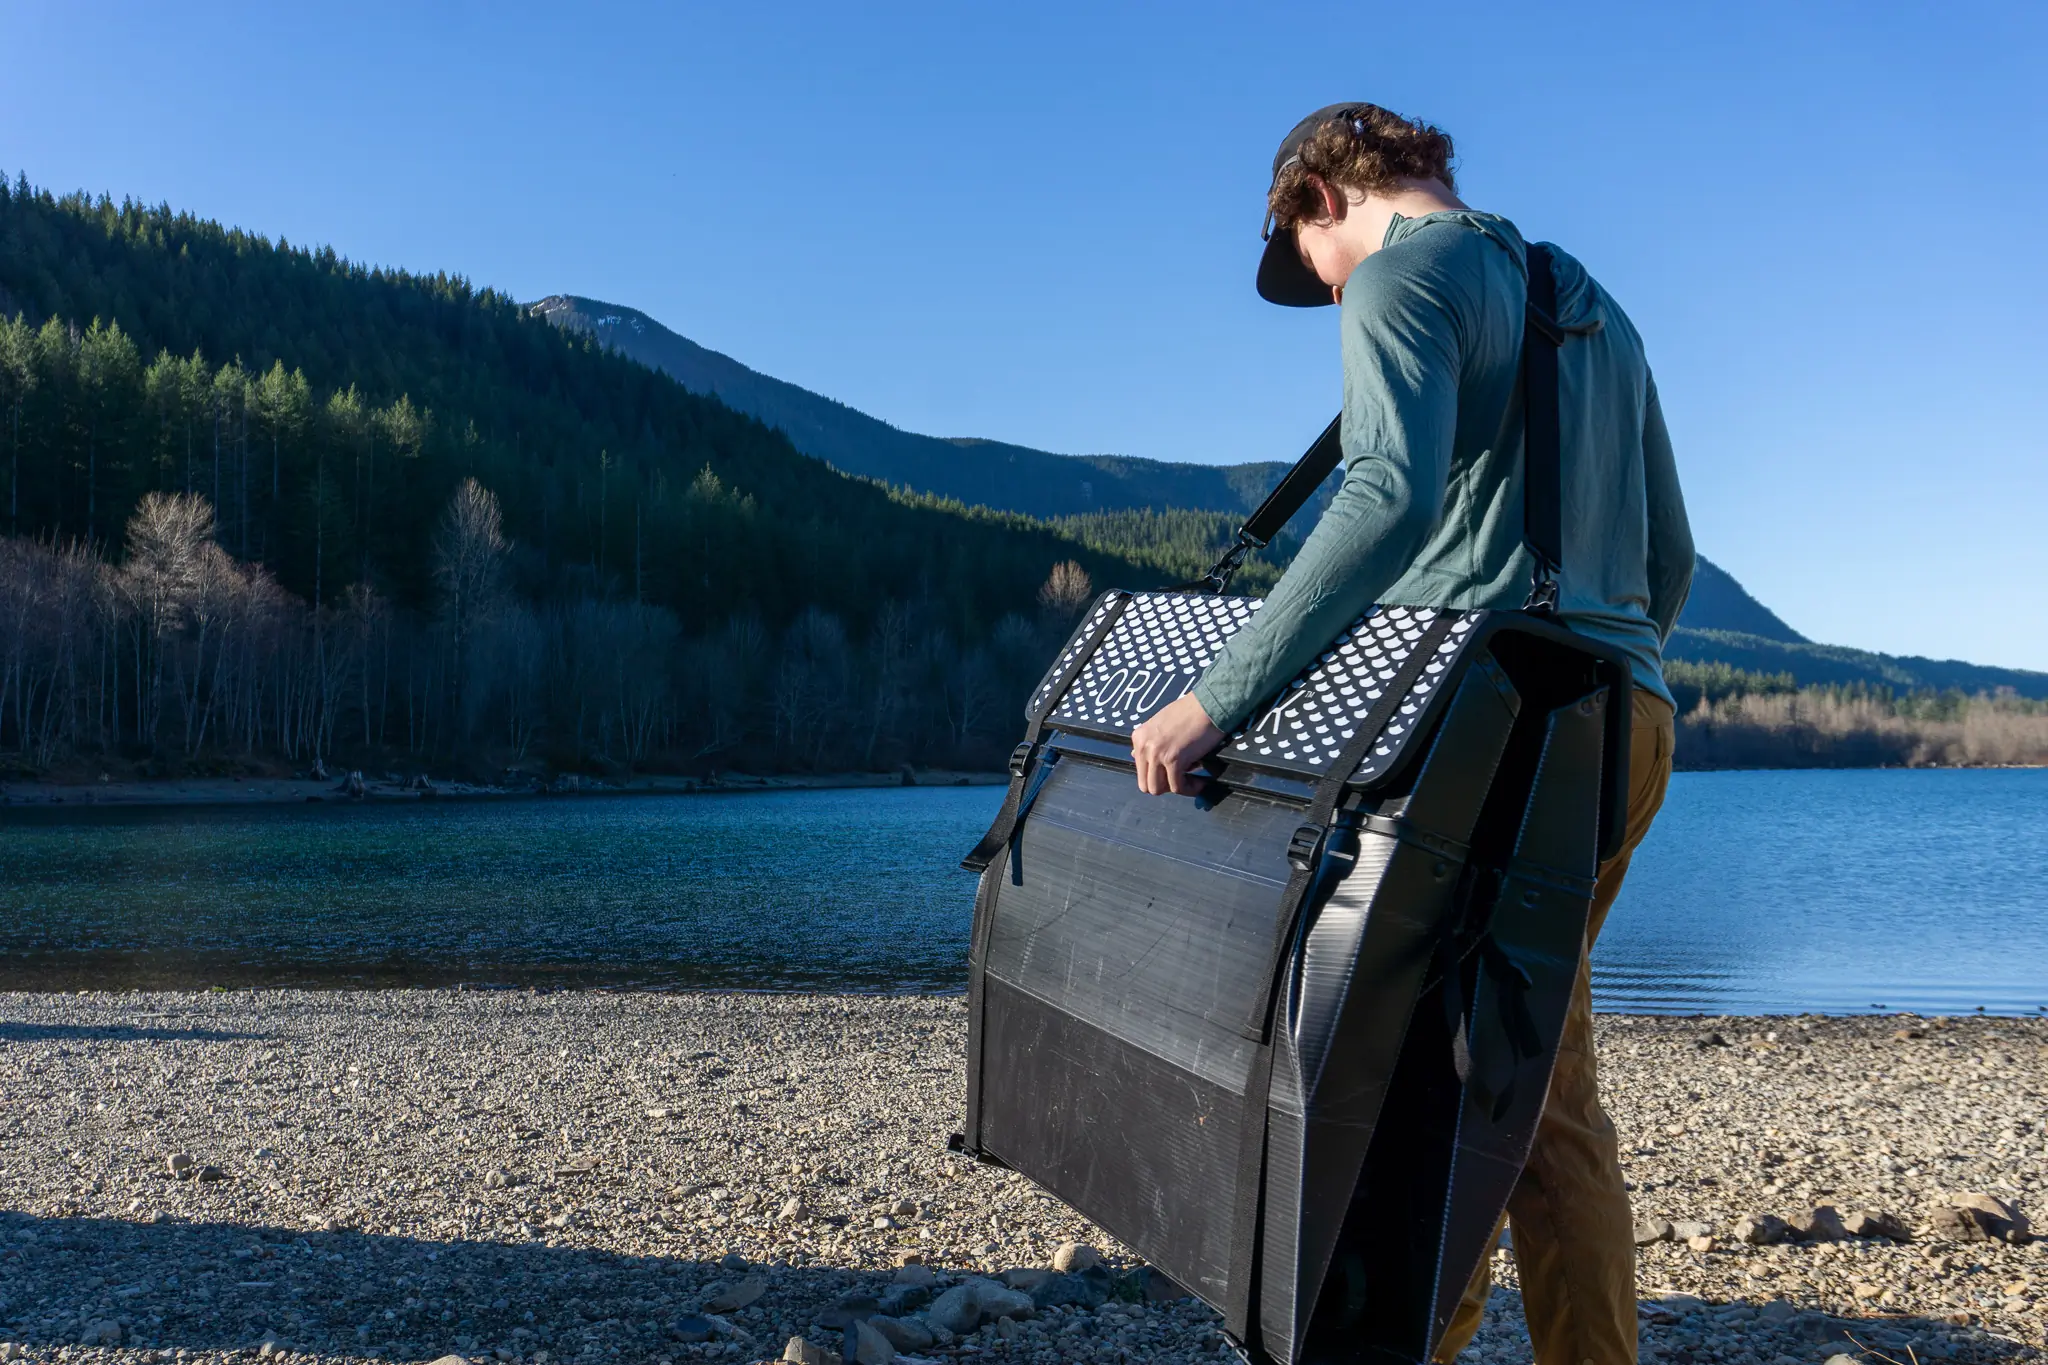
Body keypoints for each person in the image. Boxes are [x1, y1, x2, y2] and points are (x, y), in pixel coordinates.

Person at [1129, 103, 1695, 1365]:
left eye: (1308, 264)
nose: (1327, 298)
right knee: (1535, 1079)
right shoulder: (1586, 301)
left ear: (1320, 198)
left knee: (1433, 1082)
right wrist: (1607, 664)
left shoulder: (1394, 279)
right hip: (1627, 721)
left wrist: (1217, 694)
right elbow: (1670, 555)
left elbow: (1385, 494)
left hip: (1492, 729)